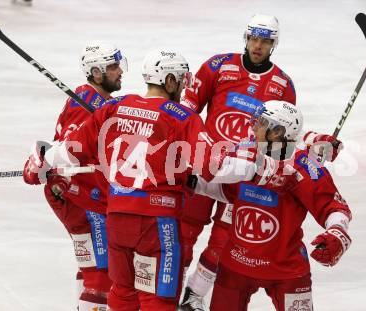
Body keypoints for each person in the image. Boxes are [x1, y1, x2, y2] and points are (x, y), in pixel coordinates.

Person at [23, 49, 258, 311]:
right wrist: (258, 164)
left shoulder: (114, 106)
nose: (183, 87)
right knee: (157, 300)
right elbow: (214, 166)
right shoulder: (181, 117)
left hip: (118, 219)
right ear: (169, 81)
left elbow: (71, 150)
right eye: (181, 80)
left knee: (122, 296)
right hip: (156, 224)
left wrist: (41, 158)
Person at [179, 14, 343, 310]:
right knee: (184, 232)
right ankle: (168, 293)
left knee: (225, 240)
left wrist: (315, 140)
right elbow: (188, 112)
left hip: (245, 172)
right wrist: (198, 150)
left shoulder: (282, 83)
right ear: (246, 38)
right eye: (254, 38)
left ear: (273, 44)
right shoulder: (218, 66)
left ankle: (193, 295)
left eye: (265, 41)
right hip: (209, 164)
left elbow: (286, 129)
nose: (257, 45)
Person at [195, 100, 352, 311]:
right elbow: (227, 191)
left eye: (260, 122)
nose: (252, 126)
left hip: (286, 268)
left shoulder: (304, 167)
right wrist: (193, 183)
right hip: (235, 263)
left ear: (277, 132)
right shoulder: (245, 151)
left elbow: (334, 207)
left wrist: (337, 232)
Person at [36, 42, 127, 310]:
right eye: (112, 67)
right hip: (85, 199)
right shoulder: (85, 101)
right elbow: (69, 147)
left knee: (91, 267)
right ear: (96, 72)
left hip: (85, 196)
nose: (119, 71)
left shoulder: (94, 100)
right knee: (102, 274)